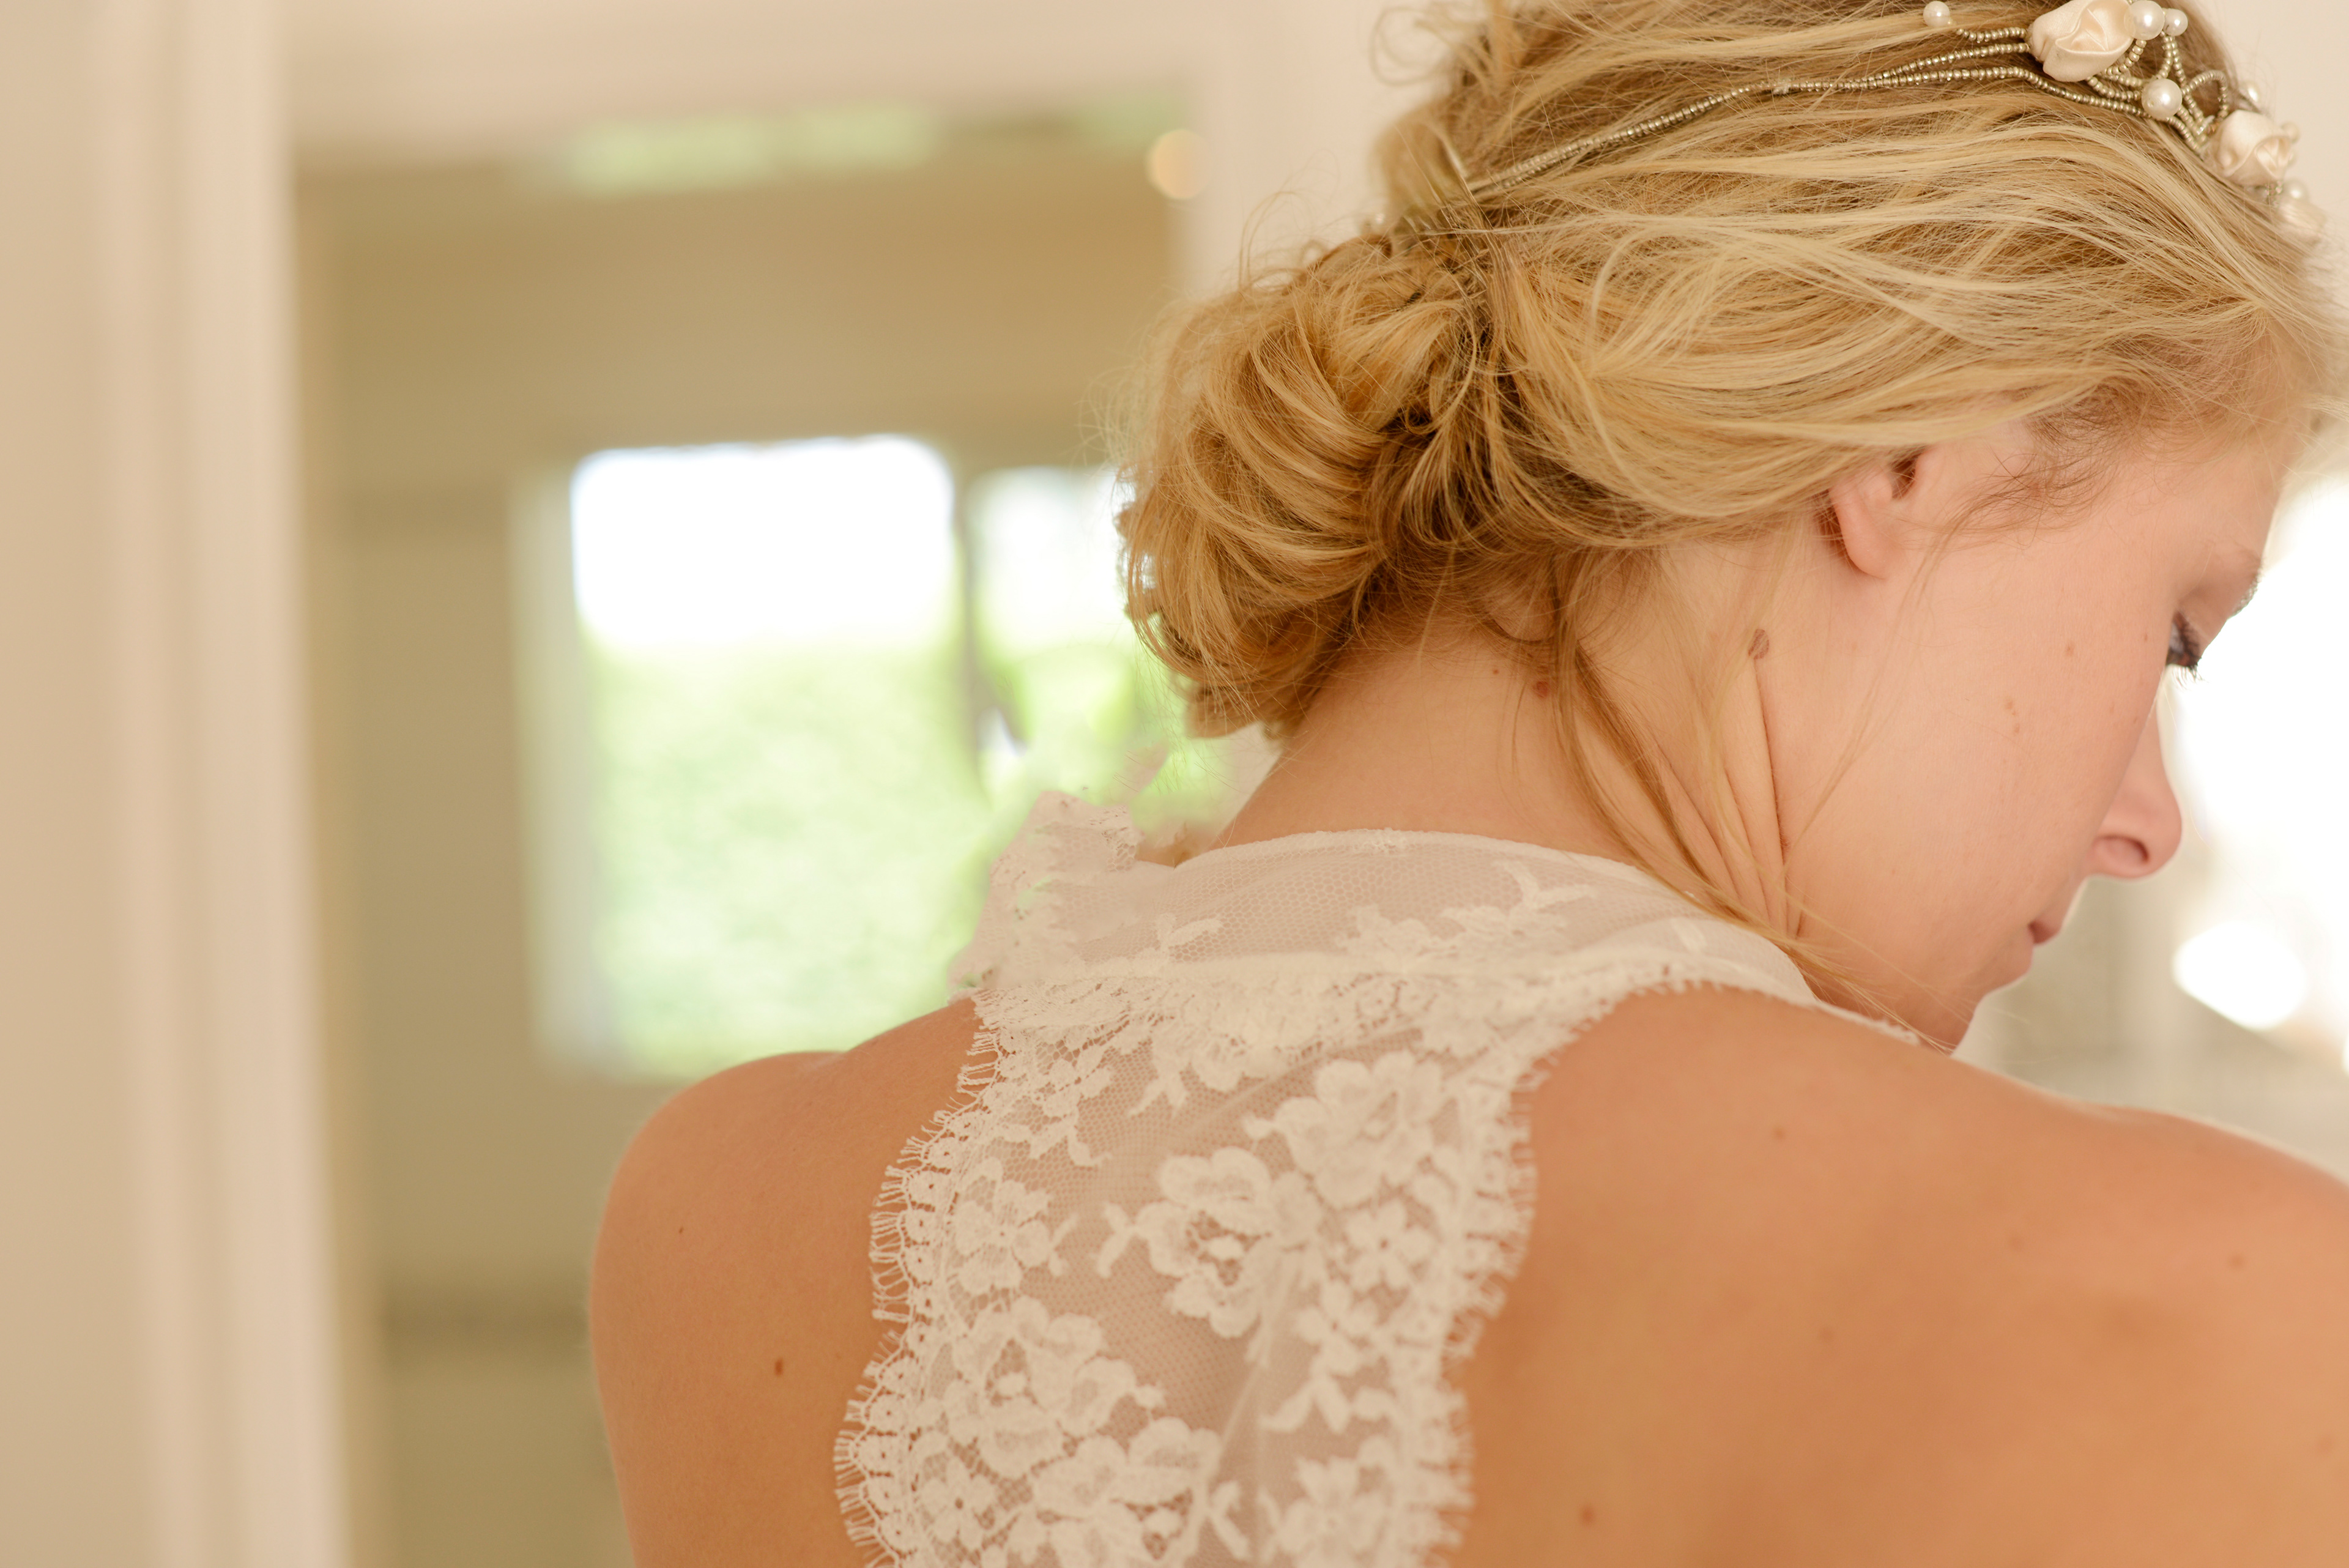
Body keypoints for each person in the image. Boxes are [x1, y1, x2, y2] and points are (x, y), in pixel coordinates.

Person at [589, 0, 2349, 1561]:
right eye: (2174, 635)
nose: (2149, 823)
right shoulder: (2193, 1297)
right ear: (1914, 454)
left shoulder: (724, 1226)